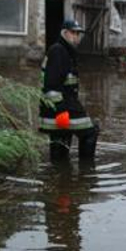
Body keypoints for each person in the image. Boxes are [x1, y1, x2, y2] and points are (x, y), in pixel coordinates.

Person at [40, 19, 98, 161]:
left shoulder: (64, 50)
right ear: (65, 33)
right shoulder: (59, 51)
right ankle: (86, 171)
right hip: (60, 106)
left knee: (61, 140)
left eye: (78, 33)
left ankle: (61, 175)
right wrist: (60, 111)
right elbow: (51, 85)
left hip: (57, 106)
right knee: (90, 132)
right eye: (74, 33)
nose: (77, 36)